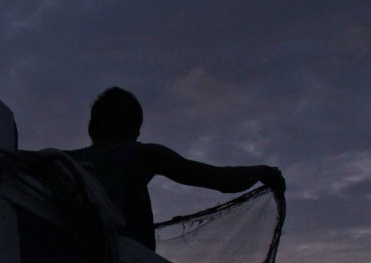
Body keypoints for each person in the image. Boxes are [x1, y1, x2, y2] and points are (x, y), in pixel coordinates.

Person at [69, 87, 285, 249]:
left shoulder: (65, 162)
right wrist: (264, 172)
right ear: (135, 131)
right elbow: (220, 179)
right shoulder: (142, 154)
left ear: (91, 127)